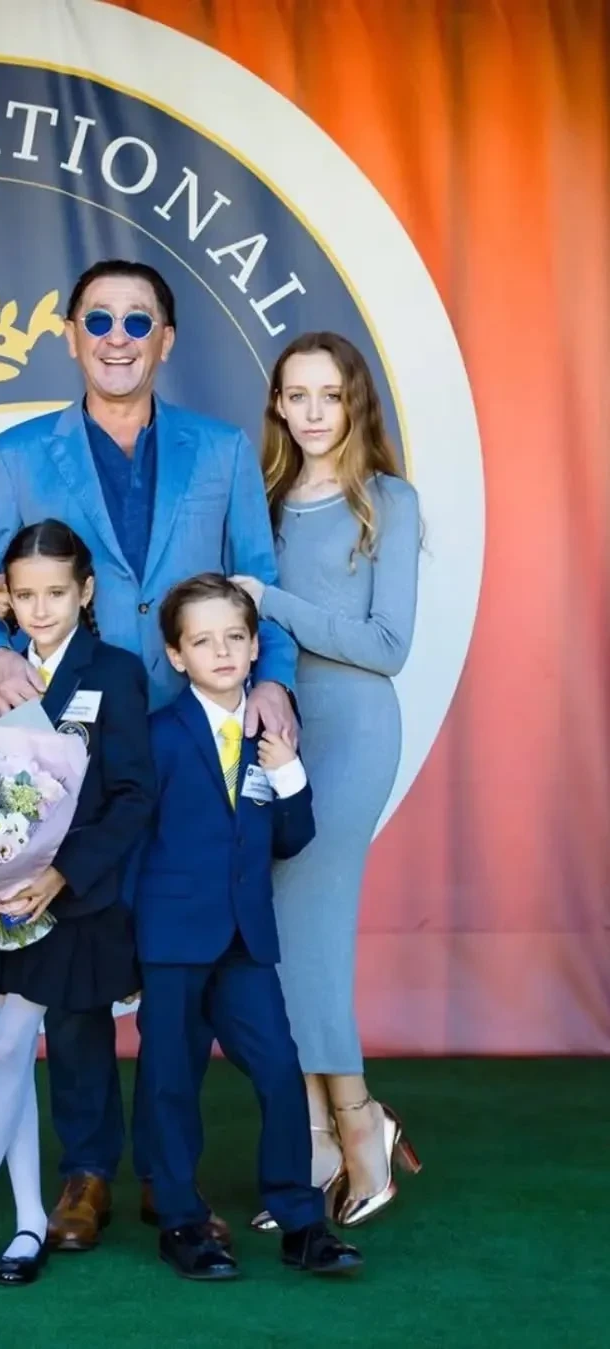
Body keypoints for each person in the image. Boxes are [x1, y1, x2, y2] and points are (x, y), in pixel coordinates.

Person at [0, 258, 297, 1251]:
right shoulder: (16, 454)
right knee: (76, 972)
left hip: (192, 753)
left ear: (166, 339)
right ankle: (88, 1169)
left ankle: (168, 1176)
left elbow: (260, 585)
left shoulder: (222, 451)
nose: (117, 336)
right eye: (98, 319)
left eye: (137, 321)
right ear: (70, 334)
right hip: (76, 766)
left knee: (179, 977)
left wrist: (272, 680)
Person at [0, 520, 154, 1284]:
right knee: (7, 1052)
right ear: (5, 598)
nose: (41, 609)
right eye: (26, 595)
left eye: (56, 593)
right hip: (4, 901)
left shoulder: (117, 671)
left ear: (86, 591)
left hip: (71, 901)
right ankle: (30, 1221)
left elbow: (135, 796)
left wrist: (62, 873)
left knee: (9, 1048)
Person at [235, 332, 422, 1229]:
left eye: (330, 395)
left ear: (355, 403)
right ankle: (315, 1139)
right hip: (272, 734)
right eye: (296, 394)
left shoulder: (388, 501)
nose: (313, 412)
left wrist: (271, 601)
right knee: (278, 934)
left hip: (351, 731)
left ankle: (357, 1123)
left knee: (311, 931)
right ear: (276, 404)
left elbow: (388, 645)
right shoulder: (264, 502)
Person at [136, 573, 363, 1281]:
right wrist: (128, 943)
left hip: (245, 943)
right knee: (170, 1078)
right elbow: (133, 844)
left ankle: (301, 1222)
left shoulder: (272, 735)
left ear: (256, 644)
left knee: (280, 1070)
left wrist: (289, 772)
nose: (222, 651)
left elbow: (291, 839)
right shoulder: (158, 736)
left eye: (235, 636)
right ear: (177, 655)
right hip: (171, 941)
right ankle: (181, 1220)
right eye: (203, 641)